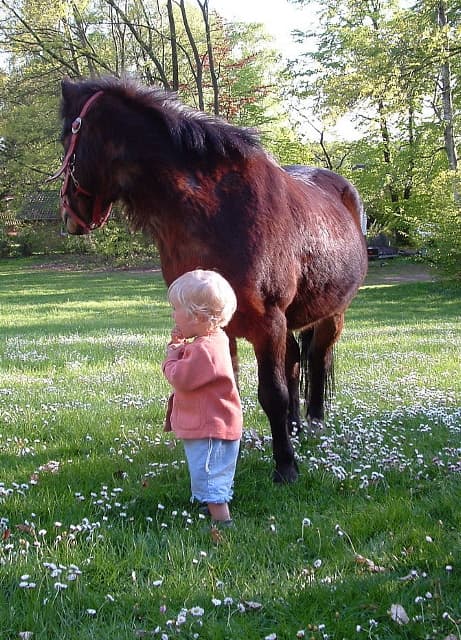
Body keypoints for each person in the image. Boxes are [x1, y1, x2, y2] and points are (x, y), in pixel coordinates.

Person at [162, 269, 242, 528]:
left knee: (209, 474)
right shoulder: (211, 341)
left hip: (210, 429)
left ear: (196, 316)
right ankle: (209, 503)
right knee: (207, 471)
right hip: (212, 425)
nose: (172, 314)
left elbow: (181, 377)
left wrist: (172, 355)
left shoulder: (205, 349)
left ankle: (222, 520)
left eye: (175, 309)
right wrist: (184, 345)